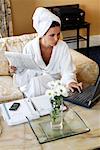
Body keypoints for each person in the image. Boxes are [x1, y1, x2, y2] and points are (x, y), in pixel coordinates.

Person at [9, 7, 82, 98]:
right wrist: (16, 70)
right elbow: (24, 71)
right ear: (42, 34)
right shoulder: (30, 47)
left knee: (67, 92)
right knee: (36, 83)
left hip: (54, 84)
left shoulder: (62, 46)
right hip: (34, 85)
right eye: (52, 35)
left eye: (58, 34)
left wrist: (70, 81)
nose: (56, 38)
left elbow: (67, 70)